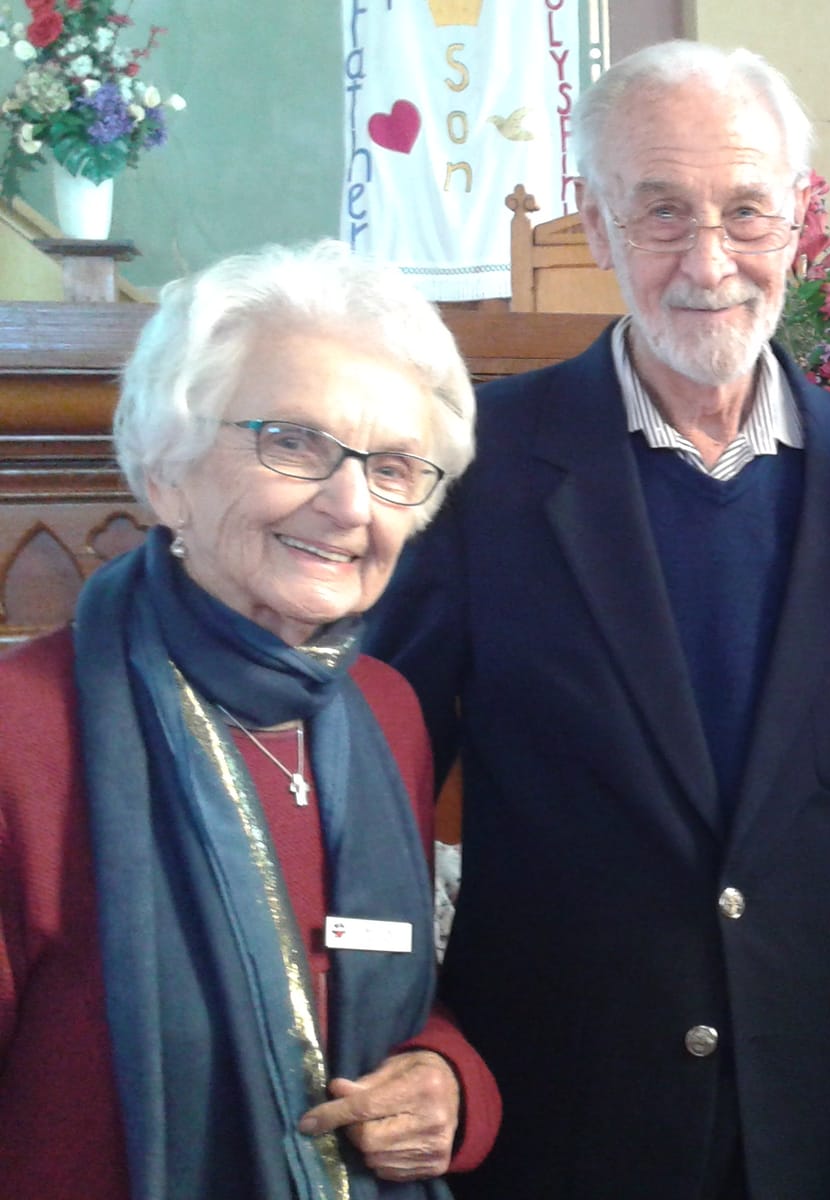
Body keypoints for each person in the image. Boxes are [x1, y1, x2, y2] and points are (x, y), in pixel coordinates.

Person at [364, 39, 830, 1200]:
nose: (709, 260)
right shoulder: (482, 474)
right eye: (662, 213)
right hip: (561, 1113)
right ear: (594, 225)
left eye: (744, 212)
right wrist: (406, 1037)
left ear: (799, 217)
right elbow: (374, 782)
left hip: (825, 1118)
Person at [0, 240, 498, 1198]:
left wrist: (448, 1083)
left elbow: (374, 994)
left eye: (394, 466)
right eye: (295, 442)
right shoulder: (26, 736)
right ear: (168, 471)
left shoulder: (382, 711)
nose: (350, 504)